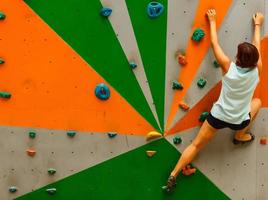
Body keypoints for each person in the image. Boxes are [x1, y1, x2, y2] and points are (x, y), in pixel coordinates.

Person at [164, 9, 264, 192]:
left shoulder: (228, 67)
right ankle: (240, 136)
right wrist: (257, 24)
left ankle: (173, 174)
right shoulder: (258, 68)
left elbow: (214, 43)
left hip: (217, 116)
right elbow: (257, 44)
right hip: (238, 120)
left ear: (237, 59)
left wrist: (212, 21)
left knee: (195, 145)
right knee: (256, 102)